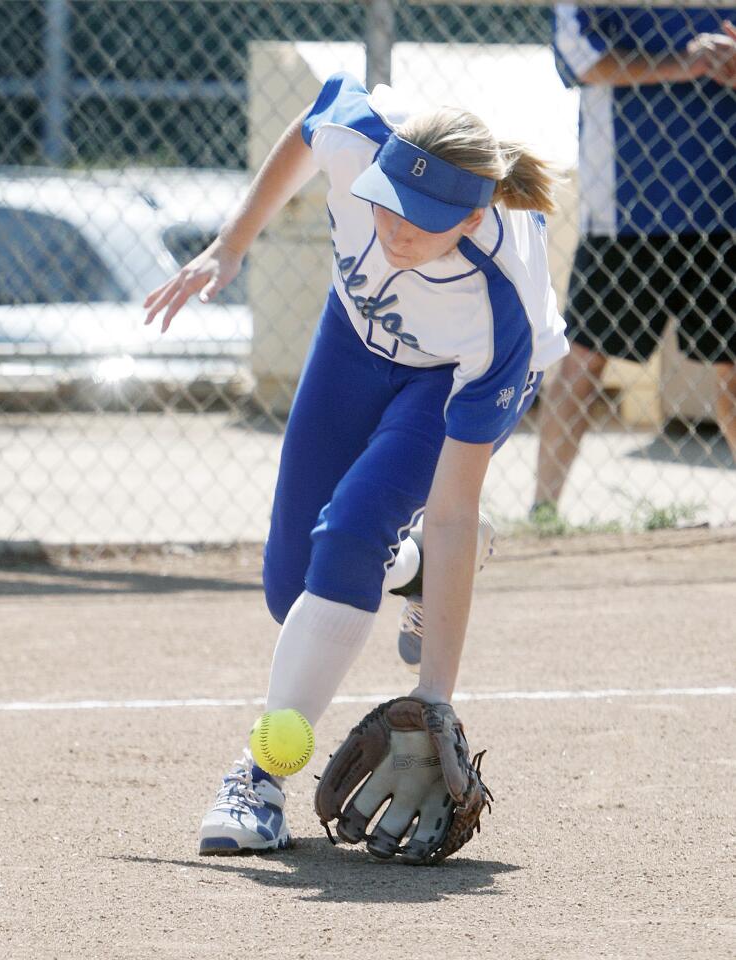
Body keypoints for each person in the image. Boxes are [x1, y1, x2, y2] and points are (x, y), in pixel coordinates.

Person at [144, 72, 568, 855]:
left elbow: (452, 510)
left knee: (346, 537)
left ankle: (259, 780)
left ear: (473, 217)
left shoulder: (499, 306)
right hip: (352, 340)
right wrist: (229, 245)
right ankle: (405, 570)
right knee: (290, 589)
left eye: (421, 221)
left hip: (447, 380)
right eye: (385, 202)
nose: (391, 230)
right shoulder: (358, 137)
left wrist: (433, 693)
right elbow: (307, 130)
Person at [534, 6, 736, 515]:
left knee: (732, 371)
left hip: (725, 202)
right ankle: (542, 512)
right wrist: (687, 63)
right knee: (583, 358)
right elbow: (582, 62)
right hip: (626, 209)